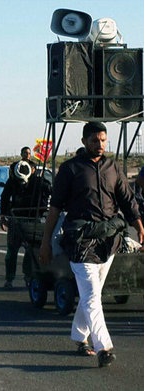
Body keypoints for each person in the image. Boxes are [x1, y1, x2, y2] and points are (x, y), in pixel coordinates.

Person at [39, 122, 143, 368]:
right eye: (95, 140)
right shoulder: (70, 169)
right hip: (80, 240)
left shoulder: (112, 167)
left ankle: (78, 336)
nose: (100, 144)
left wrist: (139, 226)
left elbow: (127, 200)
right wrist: (45, 243)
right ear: (85, 141)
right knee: (91, 295)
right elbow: (54, 209)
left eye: (104, 140)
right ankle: (104, 347)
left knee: (91, 295)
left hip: (108, 240)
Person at [0, 159, 52, 289]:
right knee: (12, 251)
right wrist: (3, 217)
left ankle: (28, 277)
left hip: (34, 221)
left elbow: (52, 192)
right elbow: (4, 198)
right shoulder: (12, 182)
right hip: (16, 220)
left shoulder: (40, 182)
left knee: (31, 251)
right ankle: (9, 278)